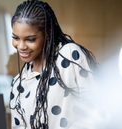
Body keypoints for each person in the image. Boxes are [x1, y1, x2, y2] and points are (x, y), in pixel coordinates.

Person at [9, 0, 98, 129]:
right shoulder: (18, 83)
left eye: (30, 39)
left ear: (47, 34)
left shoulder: (69, 56)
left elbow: (96, 107)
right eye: (16, 38)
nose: (21, 46)